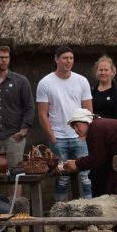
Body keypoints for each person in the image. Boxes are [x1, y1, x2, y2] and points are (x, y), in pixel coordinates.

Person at [37, 46, 93, 200]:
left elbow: (88, 110)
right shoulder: (45, 83)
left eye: (71, 58)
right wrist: (52, 137)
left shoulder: (81, 81)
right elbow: (42, 113)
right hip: (58, 137)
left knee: (85, 179)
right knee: (62, 179)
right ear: (56, 59)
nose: (69, 61)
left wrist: (84, 136)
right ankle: (60, 218)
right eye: (65, 58)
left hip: (79, 138)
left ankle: (89, 216)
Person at [88, 55, 117, 196]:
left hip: (115, 140)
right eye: (100, 70)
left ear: (113, 72)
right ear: (96, 72)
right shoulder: (91, 92)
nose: (103, 72)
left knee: (113, 173)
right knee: (97, 173)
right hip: (96, 140)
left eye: (106, 70)